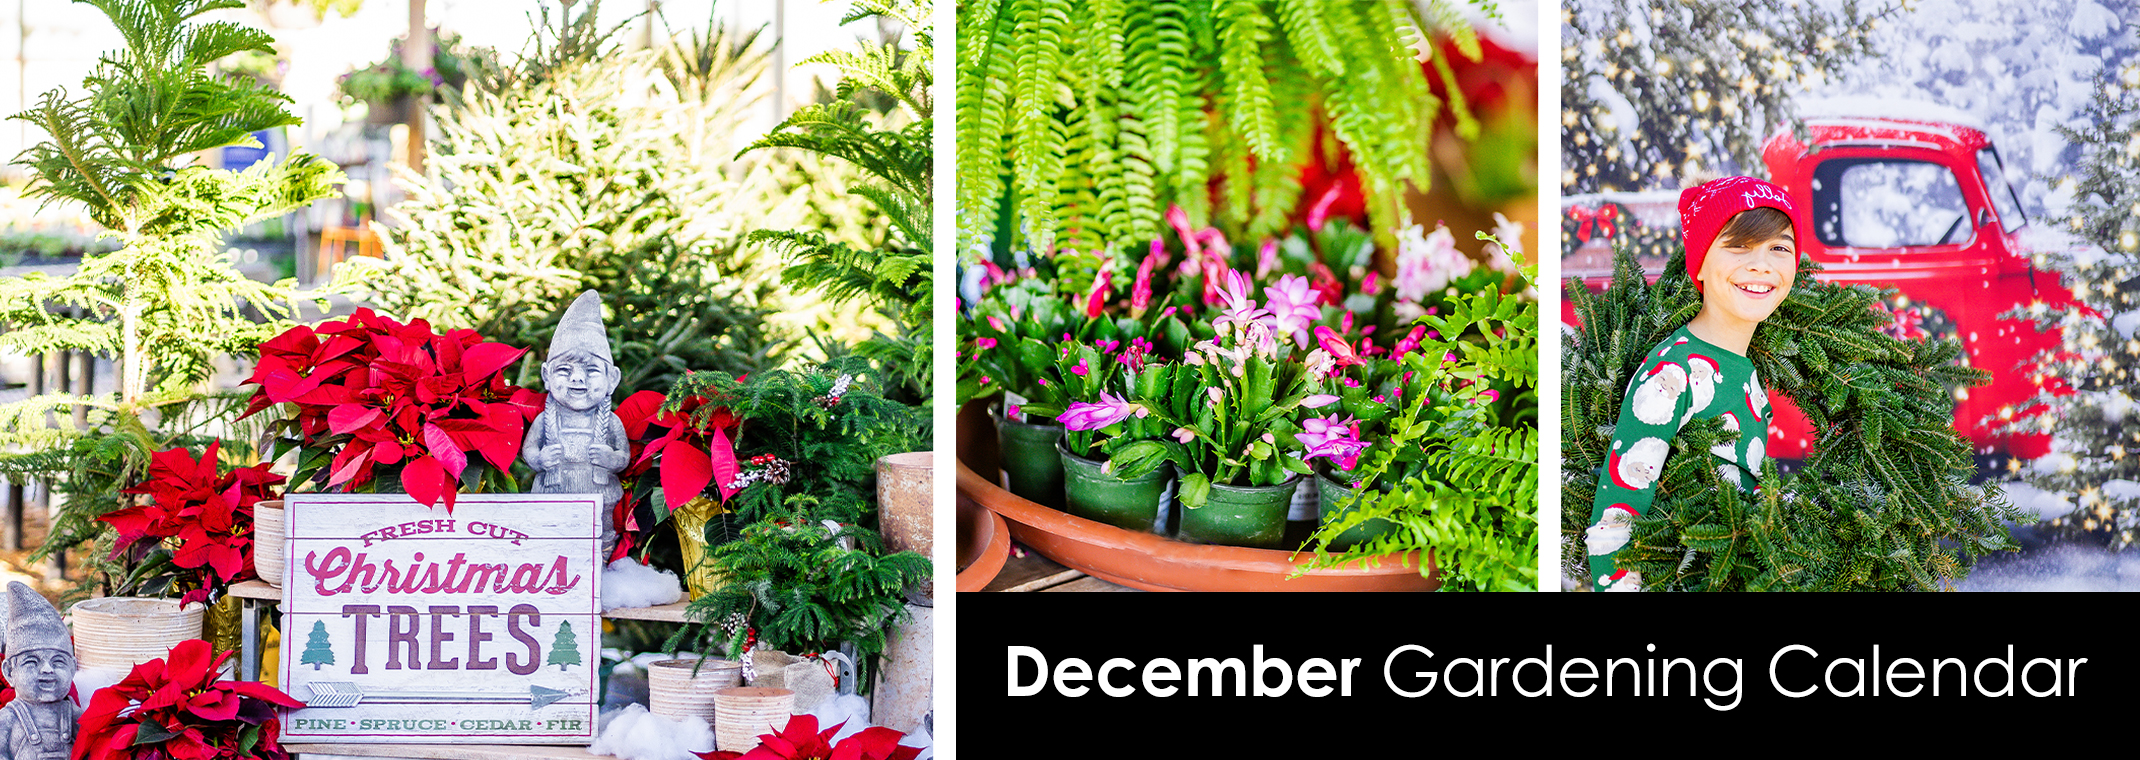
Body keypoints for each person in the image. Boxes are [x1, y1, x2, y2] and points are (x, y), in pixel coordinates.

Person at [1584, 176, 1802, 592]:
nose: (1761, 264)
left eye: (1780, 247)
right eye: (1738, 245)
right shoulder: (1673, 372)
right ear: (1700, 263)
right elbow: (1615, 519)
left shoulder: (1747, 371)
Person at [524, 290, 631, 557]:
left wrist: (611, 459)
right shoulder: (544, 420)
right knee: (551, 538)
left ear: (612, 379)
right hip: (552, 495)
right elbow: (529, 451)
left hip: (600, 498)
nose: (577, 379)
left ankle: (600, 574)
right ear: (547, 376)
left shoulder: (611, 422)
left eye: (591, 370)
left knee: (602, 538)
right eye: (564, 370)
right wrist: (539, 460)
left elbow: (623, 456)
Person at [0, 582, 76, 760]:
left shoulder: (73, 714)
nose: (47, 669)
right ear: (9, 672)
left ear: (72, 668)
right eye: (32, 662)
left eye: (58, 661)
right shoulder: (8, 719)